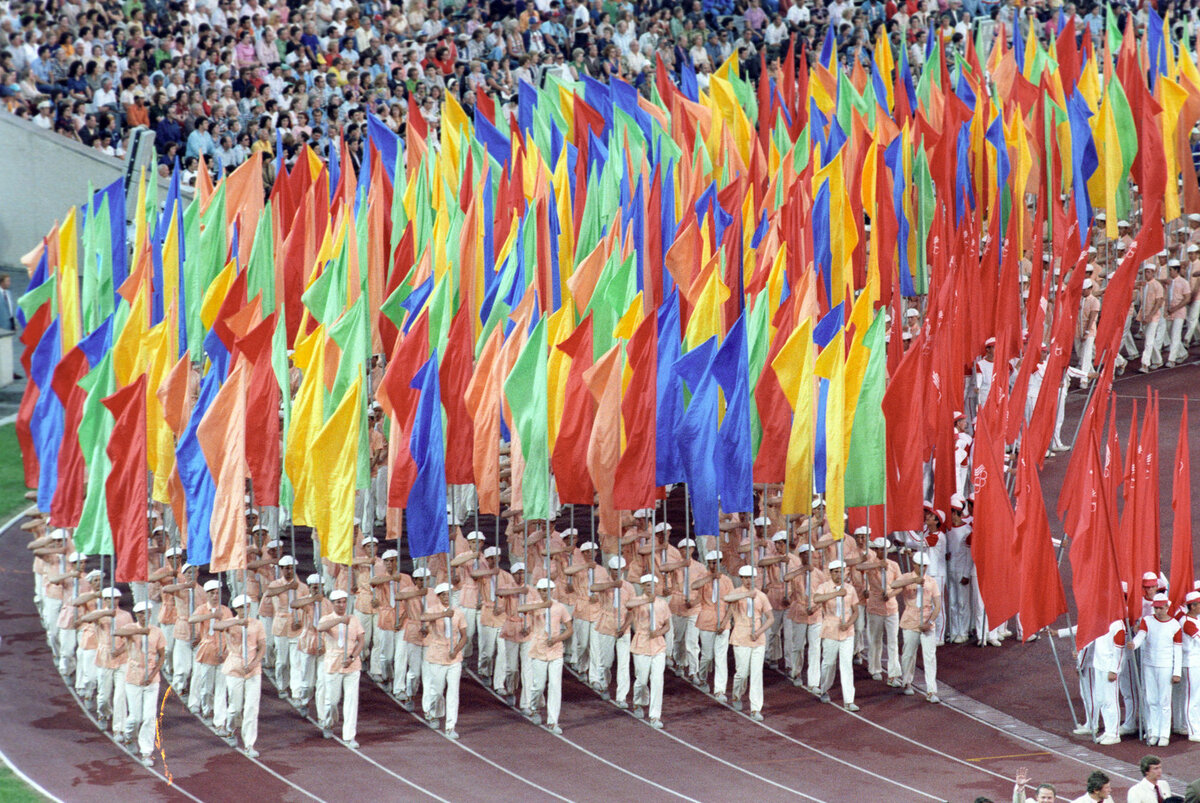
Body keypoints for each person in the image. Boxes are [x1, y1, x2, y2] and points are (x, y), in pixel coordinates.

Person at [213, 594, 267, 756]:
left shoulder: (257, 624)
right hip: (235, 668)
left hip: (253, 669)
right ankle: (230, 729)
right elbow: (217, 626)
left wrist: (253, 664)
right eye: (241, 607)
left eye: (247, 606)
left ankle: (249, 744)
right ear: (236, 609)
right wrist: (237, 622)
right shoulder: (232, 623)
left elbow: (262, 647)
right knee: (235, 708)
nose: (245, 610)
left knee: (251, 708)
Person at [116, 601, 166, 767]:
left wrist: (152, 674)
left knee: (149, 717)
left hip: (152, 679)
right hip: (133, 677)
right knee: (135, 717)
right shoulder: (131, 629)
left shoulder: (157, 631)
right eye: (141, 613)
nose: (145, 616)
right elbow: (117, 632)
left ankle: (146, 752)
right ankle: (129, 735)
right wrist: (139, 631)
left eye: (147, 613)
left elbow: (162, 656)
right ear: (137, 615)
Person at [521, 577, 572, 733]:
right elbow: (520, 609)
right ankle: (535, 708)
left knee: (555, 685)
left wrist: (558, 638)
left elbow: (570, 628)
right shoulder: (535, 606)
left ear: (552, 590)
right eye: (542, 590)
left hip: (555, 649)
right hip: (539, 649)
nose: (545, 593)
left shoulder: (560, 607)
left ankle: (553, 721)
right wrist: (543, 605)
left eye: (547, 590)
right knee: (539, 685)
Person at [721, 564, 772, 721]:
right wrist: (745, 595)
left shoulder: (761, 596)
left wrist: (759, 632)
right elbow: (726, 598)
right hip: (741, 637)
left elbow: (771, 618)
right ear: (741, 579)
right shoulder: (736, 593)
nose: (748, 580)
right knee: (742, 673)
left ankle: (756, 708)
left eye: (751, 578)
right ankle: (737, 695)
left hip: (757, 638)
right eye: (745, 578)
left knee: (756, 674)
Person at [78, 587, 131, 737]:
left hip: (121, 658)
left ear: (118, 600)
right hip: (104, 658)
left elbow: (132, 638)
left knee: (120, 696)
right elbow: (85, 619)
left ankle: (118, 728)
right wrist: (106, 613)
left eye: (114, 599)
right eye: (108, 599)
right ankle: (103, 713)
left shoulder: (126, 616)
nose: (111, 601)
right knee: (103, 696)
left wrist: (121, 651)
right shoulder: (99, 615)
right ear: (104, 600)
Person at [1132, 594, 1183, 747]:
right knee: (1151, 699)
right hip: (1149, 664)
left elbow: (1178, 650)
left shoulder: (1174, 625)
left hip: (1165, 665)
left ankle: (1164, 734)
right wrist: (1133, 644)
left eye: (1161, 608)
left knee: (1164, 700)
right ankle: (1153, 731)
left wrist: (1176, 672)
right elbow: (1141, 636)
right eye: (1156, 608)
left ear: (1167, 607)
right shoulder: (1147, 621)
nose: (1159, 611)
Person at [418, 582, 467, 739]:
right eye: (443, 595)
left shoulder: (458, 612)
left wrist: (457, 650)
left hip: (454, 658)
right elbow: (423, 617)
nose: (447, 597)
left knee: (453, 692)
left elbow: (464, 635)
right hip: (437, 655)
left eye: (449, 594)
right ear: (438, 597)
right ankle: (432, 714)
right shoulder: (433, 610)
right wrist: (443, 615)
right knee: (437, 691)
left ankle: (450, 726)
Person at [317, 589, 365, 747]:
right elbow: (320, 628)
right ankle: (328, 722)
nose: (342, 605)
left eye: (344, 601)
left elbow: (361, 641)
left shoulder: (354, 619)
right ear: (332, 604)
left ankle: (349, 736)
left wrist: (352, 658)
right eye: (338, 602)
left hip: (351, 664)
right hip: (333, 663)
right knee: (332, 700)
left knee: (351, 700)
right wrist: (340, 620)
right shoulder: (327, 618)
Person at [894, 552, 942, 703]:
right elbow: (893, 585)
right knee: (908, 654)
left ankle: (931, 690)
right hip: (910, 620)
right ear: (914, 565)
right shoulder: (906, 578)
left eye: (925, 566)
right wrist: (914, 580)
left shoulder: (932, 582)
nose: (922, 569)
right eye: (920, 566)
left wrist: (930, 622)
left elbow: (938, 605)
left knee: (930, 657)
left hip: (927, 621)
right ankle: (907, 681)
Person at [814, 559, 860, 711]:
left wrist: (849, 623)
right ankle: (824, 688)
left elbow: (856, 611)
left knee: (846, 664)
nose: (838, 574)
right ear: (830, 573)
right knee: (829, 663)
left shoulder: (850, 589)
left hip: (847, 630)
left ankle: (849, 700)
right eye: (835, 572)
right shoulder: (824, 587)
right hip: (830, 628)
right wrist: (836, 593)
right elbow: (816, 599)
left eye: (840, 571)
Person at [627, 573, 670, 727]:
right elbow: (628, 605)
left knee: (658, 680)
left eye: (652, 585)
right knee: (642, 680)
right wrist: (647, 600)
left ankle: (655, 716)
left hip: (658, 644)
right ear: (643, 587)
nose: (650, 588)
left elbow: (667, 624)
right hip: (641, 643)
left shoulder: (662, 603)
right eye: (647, 585)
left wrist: (658, 633)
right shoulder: (638, 601)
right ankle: (638, 702)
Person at [188, 579, 233, 723]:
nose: (215, 596)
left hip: (223, 652)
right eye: (212, 593)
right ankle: (206, 708)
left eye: (217, 593)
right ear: (207, 595)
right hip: (207, 652)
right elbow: (192, 619)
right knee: (207, 688)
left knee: (221, 689)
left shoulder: (225, 610)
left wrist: (226, 651)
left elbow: (231, 631)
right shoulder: (202, 609)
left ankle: (220, 720)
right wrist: (211, 616)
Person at [783, 542, 825, 691]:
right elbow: (786, 578)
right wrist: (802, 570)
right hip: (799, 611)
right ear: (800, 556)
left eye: (810, 554)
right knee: (798, 645)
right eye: (804, 554)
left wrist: (815, 607)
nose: (808, 557)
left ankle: (814, 681)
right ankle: (796, 673)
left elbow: (824, 596)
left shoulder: (819, 575)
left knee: (815, 647)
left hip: (815, 613)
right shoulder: (796, 571)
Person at [693, 550, 734, 700]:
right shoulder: (703, 578)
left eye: (715, 563)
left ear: (720, 563)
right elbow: (694, 586)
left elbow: (732, 604)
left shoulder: (727, 581)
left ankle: (719, 689)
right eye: (710, 563)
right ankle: (703, 677)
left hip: (723, 619)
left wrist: (724, 622)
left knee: (721, 657)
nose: (712, 565)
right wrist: (710, 577)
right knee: (707, 656)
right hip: (706, 619)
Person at [860, 538, 901, 684]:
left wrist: (891, 594)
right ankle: (875, 668)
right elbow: (859, 567)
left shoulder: (894, 566)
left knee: (893, 641)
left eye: (883, 549)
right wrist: (877, 564)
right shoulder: (871, 565)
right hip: (875, 607)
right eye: (877, 549)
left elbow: (900, 585)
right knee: (875, 639)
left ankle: (893, 674)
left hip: (891, 607)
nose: (880, 552)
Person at [1092, 619, 1129, 745]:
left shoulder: (1118, 625)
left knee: (1110, 700)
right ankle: (1108, 731)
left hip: (1109, 667)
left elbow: (1119, 650)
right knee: (1101, 699)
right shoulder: (1099, 620)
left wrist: (1114, 670)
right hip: (1098, 665)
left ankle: (1114, 734)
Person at [1181, 591, 1200, 741]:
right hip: (1190, 663)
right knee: (1191, 697)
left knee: (1197, 697)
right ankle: (1193, 730)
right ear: (1192, 606)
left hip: (1197, 662)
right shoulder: (1187, 622)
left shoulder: (1196, 619)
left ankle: (1196, 726)